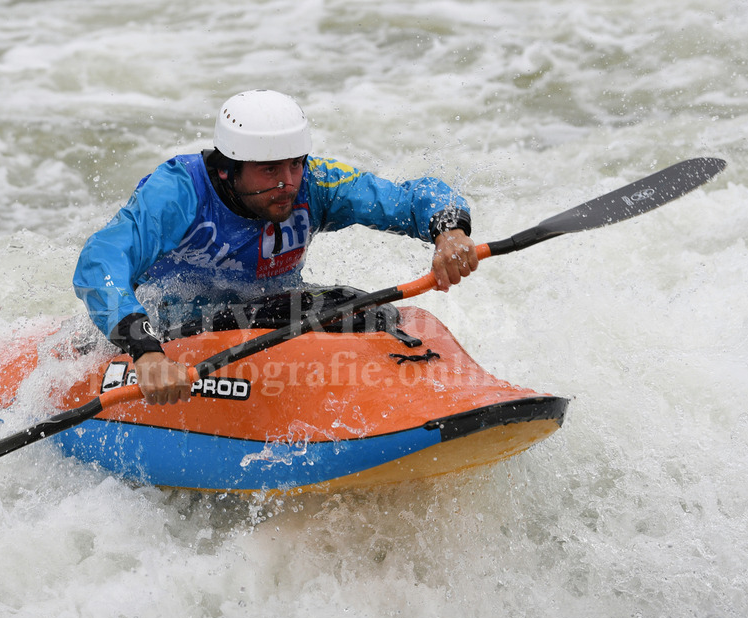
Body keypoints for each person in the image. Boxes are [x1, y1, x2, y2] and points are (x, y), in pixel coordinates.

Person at [73, 90, 478, 405]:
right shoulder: (178, 192)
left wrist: (450, 232)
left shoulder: (315, 182)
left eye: (295, 164)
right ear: (227, 170)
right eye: (270, 169)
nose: (288, 183)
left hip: (265, 317)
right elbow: (100, 260)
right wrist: (146, 352)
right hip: (166, 334)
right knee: (287, 310)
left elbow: (405, 198)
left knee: (357, 306)